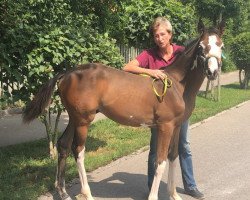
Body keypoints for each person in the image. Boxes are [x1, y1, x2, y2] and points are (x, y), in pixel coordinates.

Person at [123, 16, 205, 199]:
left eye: (162, 34)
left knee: (183, 145)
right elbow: (127, 67)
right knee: (155, 148)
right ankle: (153, 187)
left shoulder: (181, 53)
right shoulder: (149, 54)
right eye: (156, 35)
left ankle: (190, 185)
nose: (159, 38)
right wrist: (150, 71)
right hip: (159, 111)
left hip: (180, 108)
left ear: (170, 35)